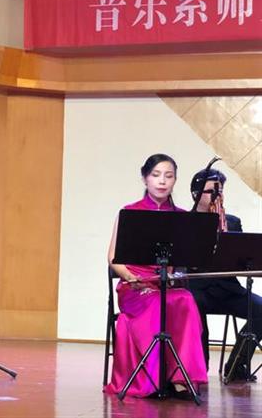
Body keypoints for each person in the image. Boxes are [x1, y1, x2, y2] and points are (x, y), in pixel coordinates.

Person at [103, 153, 207, 399]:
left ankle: (181, 379)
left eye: (168, 176)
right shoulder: (129, 212)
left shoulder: (182, 216)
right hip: (135, 286)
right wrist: (130, 277)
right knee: (155, 303)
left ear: (175, 180)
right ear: (145, 179)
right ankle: (153, 378)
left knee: (185, 300)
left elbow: (186, 258)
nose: (162, 181)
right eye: (156, 175)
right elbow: (113, 257)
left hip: (164, 284)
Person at [189, 168, 262, 381]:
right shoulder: (186, 221)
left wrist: (227, 239)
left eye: (220, 191)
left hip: (228, 289)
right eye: (211, 192)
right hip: (199, 289)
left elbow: (242, 260)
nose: (217, 196)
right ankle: (199, 368)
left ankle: (237, 364)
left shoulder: (232, 221)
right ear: (196, 194)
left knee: (261, 310)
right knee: (191, 306)